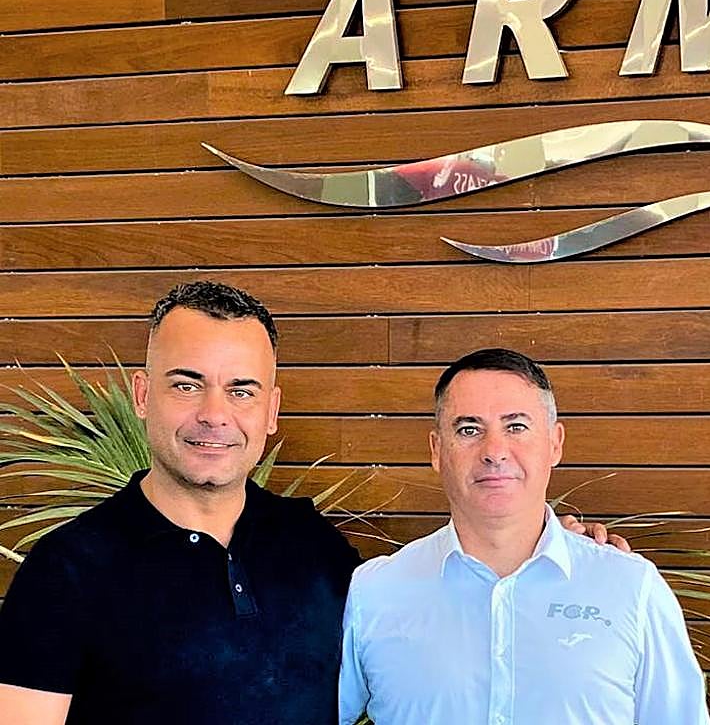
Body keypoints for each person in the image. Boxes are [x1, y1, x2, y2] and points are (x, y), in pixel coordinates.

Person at [0, 281, 624, 725]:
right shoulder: (66, 573)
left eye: (241, 390)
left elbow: (431, 616)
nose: (215, 415)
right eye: (186, 384)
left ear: (270, 410)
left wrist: (546, 550)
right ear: (143, 395)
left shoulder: (316, 550)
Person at [338, 348, 710, 725]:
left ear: (554, 443)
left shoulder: (632, 588)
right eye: (469, 430)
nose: (495, 452)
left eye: (516, 426)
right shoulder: (376, 592)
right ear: (436, 450)